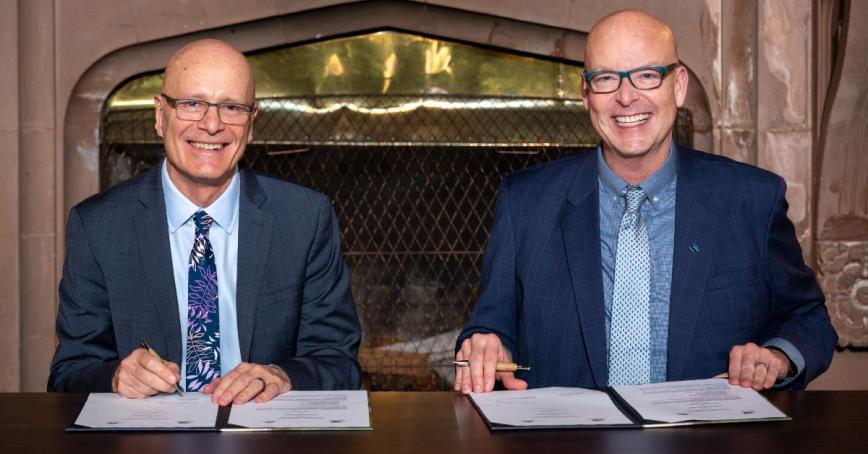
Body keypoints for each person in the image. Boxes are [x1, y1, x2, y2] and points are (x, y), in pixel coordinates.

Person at [454, 10, 836, 394]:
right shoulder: (524, 203)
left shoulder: (752, 199)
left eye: (647, 75)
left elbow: (808, 318)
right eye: (605, 79)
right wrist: (485, 348)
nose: (625, 96)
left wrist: (777, 356)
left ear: (679, 85)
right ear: (585, 94)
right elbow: (489, 330)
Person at [49, 39, 362, 405]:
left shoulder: (305, 218)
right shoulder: (98, 226)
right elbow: (69, 373)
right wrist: (117, 376)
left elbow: (339, 361)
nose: (212, 125)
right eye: (192, 104)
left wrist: (282, 376)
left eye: (231, 107)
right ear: (159, 115)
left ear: (251, 122)